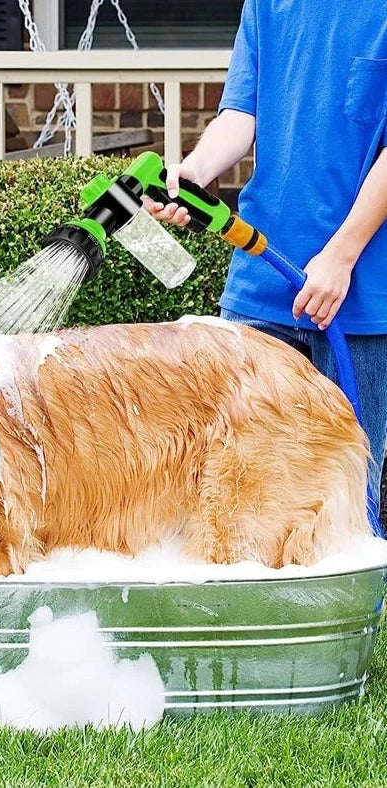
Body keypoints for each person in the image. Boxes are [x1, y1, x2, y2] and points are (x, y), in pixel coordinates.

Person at [146, 1, 387, 510]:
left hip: (362, 298)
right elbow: (241, 111)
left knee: (343, 499)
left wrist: (341, 256)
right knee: (238, 486)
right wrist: (194, 172)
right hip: (261, 286)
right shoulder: (268, 4)